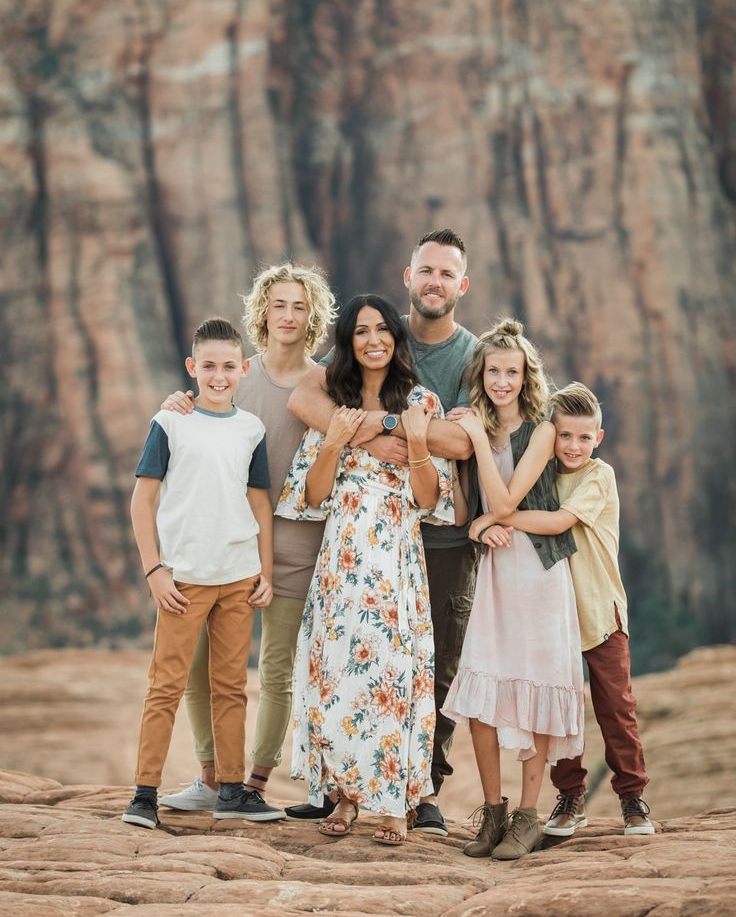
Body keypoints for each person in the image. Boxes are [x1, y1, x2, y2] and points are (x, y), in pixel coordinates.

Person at [287, 229, 477, 835]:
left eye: (381, 330)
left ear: (395, 340)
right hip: (342, 555)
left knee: (396, 674)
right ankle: (344, 795)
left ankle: (396, 800)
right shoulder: (334, 400)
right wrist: (341, 438)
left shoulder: (418, 398)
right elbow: (313, 496)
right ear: (350, 341)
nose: (373, 340)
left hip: (397, 555)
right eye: (361, 331)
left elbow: (431, 498)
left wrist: (416, 442)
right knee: (340, 670)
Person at [155, 265, 337, 820]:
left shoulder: (325, 383)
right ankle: (213, 777)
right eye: (278, 304)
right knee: (197, 666)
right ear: (262, 311)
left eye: (299, 306)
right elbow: (199, 427)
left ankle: (254, 783)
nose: (288, 315)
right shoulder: (235, 373)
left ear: (312, 317)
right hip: (225, 547)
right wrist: (175, 405)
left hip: (297, 546)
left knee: (277, 668)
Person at [122, 318, 274, 829]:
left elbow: (260, 505)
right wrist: (154, 570)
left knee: (231, 686)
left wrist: (265, 572)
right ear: (193, 367)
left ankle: (232, 789)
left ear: (243, 370)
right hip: (182, 581)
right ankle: (144, 794)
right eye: (208, 366)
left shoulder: (251, 429)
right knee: (165, 685)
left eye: (229, 366)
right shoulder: (170, 424)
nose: (218, 375)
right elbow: (143, 500)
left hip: (237, 576)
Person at [442, 317, 584, 860]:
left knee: (535, 687)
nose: (503, 380)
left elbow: (503, 504)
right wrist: (476, 525)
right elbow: (476, 510)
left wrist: (478, 441)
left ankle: (527, 816)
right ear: (482, 373)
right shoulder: (473, 421)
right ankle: (493, 813)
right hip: (497, 574)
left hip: (541, 575)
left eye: (513, 372)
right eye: (494, 370)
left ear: (527, 376)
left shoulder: (542, 428)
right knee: (483, 693)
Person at [491, 382, 654, 836]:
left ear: (598, 439)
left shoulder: (599, 475)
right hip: (552, 617)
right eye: (565, 436)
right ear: (550, 435)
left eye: (584, 437)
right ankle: (571, 797)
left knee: (615, 708)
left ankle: (633, 797)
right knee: (560, 710)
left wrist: (497, 517)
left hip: (601, 612)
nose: (574, 446)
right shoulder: (538, 474)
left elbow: (560, 521)